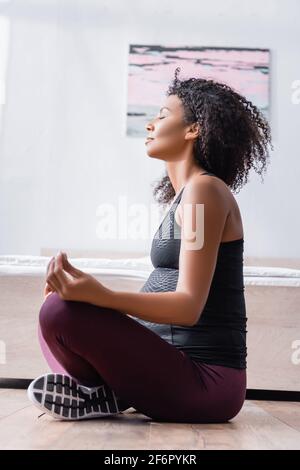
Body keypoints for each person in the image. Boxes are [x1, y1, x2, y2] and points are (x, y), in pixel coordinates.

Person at [27, 67, 272, 423]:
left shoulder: (204, 191)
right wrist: (81, 293)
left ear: (193, 129)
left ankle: (104, 391)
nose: (149, 125)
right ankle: (106, 393)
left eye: (162, 115)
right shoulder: (186, 197)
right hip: (172, 370)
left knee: (59, 314)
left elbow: (188, 307)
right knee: (57, 307)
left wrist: (101, 296)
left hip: (206, 383)